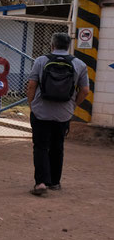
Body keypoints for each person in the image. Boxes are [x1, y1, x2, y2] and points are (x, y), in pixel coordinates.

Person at [26, 32, 89, 196]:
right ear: (68, 46)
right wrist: (74, 104)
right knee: (57, 147)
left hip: (41, 112)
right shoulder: (79, 64)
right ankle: (54, 182)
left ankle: (40, 183)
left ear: (52, 45)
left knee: (40, 147)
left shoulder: (41, 61)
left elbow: (32, 85)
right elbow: (85, 90)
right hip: (64, 114)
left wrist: (31, 104)